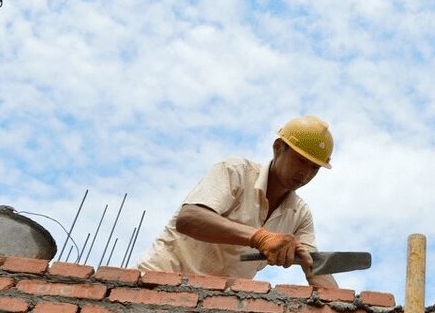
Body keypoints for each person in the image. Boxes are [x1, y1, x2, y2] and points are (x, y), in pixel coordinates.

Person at [135, 115, 338, 288]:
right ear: (278, 148)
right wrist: (259, 237)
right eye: (301, 160)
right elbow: (189, 218)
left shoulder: (299, 214)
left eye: (315, 168)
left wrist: (347, 309)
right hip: (158, 282)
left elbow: (315, 265)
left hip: (209, 304)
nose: (306, 173)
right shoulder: (235, 172)